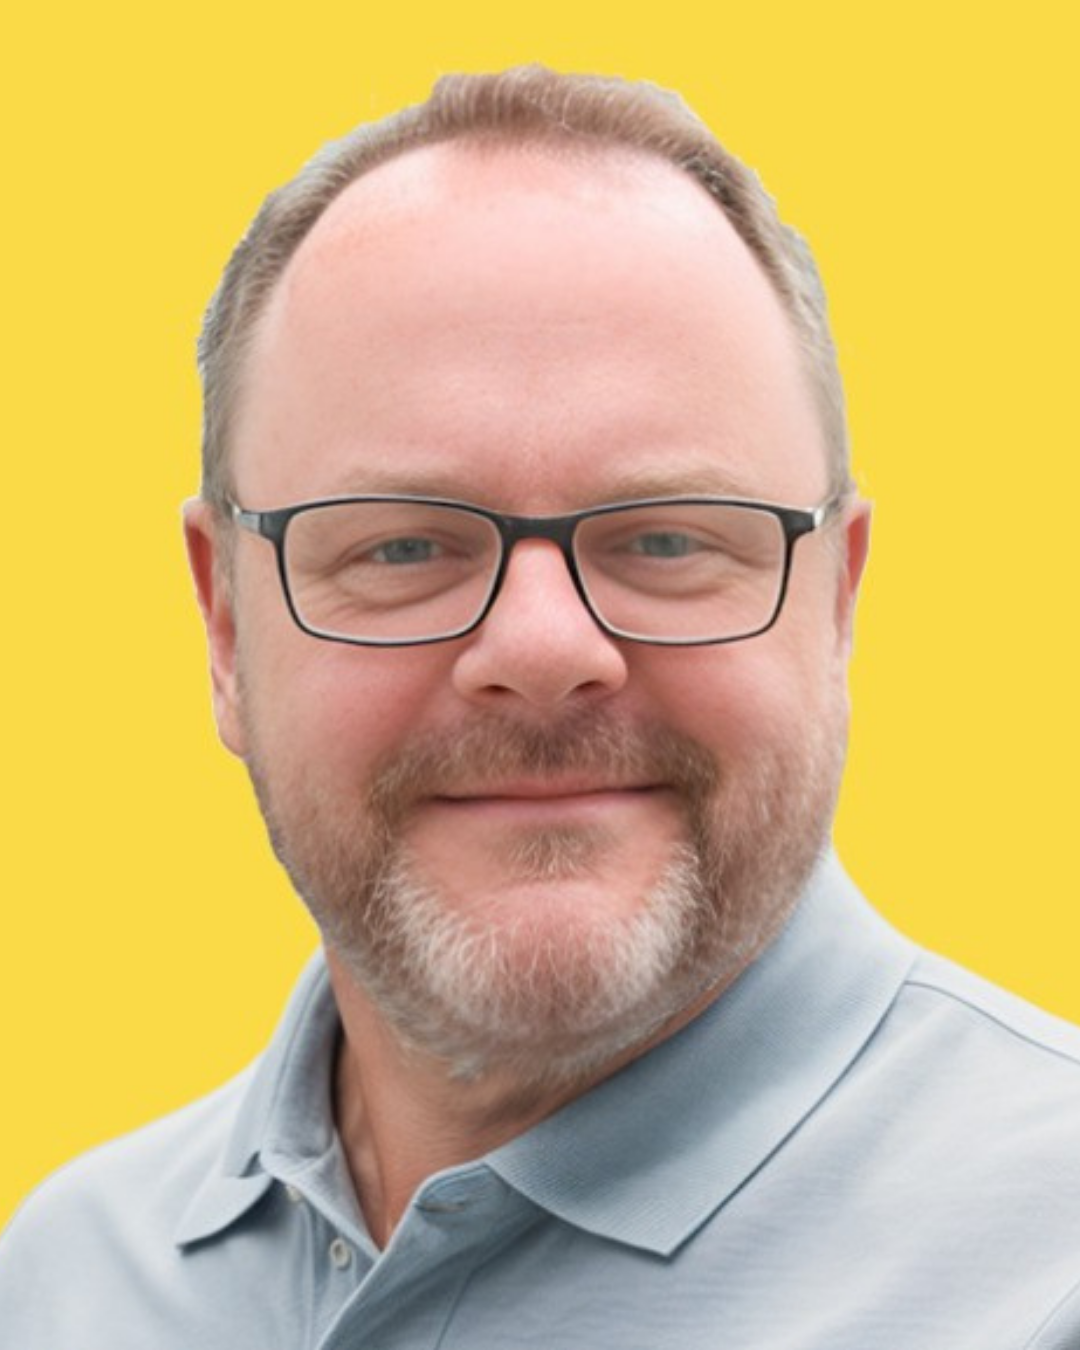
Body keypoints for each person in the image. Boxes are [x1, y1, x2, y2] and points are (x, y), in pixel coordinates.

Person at [2, 65, 1079, 1349]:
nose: (543, 647)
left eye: (669, 540)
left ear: (836, 604)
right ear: (226, 625)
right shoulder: (65, 1275)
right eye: (402, 548)